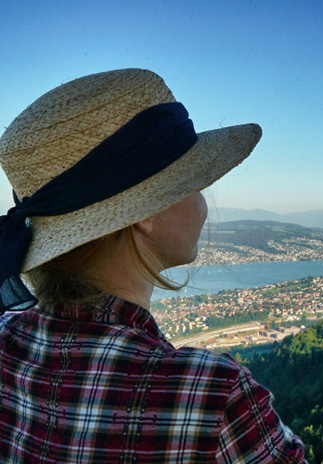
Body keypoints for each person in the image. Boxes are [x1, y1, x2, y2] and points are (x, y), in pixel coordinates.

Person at [0, 69, 307, 463]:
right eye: (194, 182)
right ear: (147, 211)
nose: (202, 201)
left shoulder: (8, 339)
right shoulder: (211, 398)